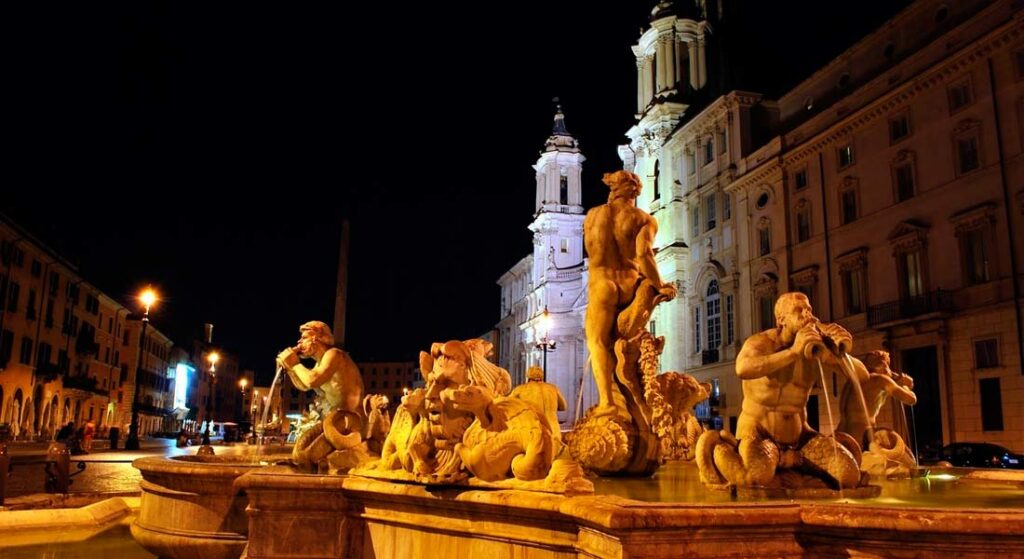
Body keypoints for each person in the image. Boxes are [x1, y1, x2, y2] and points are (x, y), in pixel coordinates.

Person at [721, 292, 869, 487]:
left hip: (801, 439)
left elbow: (862, 376)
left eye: (809, 309)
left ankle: (793, 473)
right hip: (758, 433)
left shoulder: (815, 348)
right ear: (781, 319)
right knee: (757, 478)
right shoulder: (762, 342)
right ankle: (720, 450)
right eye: (799, 310)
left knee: (848, 476)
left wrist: (836, 354)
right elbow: (743, 369)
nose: (807, 314)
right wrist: (793, 352)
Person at [583, 170, 676, 417]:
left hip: (601, 285)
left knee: (598, 342)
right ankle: (632, 401)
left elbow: (593, 253)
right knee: (625, 342)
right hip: (630, 285)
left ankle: (608, 402)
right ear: (634, 191)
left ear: (613, 188)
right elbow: (645, 256)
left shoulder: (592, 216)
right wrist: (661, 284)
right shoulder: (643, 219)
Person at [276, 321, 364, 415]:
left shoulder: (334, 354)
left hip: (351, 416)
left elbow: (312, 380)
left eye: (304, 337)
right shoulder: (319, 364)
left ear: (316, 339)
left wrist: (294, 364)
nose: (299, 341)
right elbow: (304, 386)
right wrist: (290, 368)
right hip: (337, 414)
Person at [837, 350, 917, 450]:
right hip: (861, 434)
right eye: (888, 365)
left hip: (841, 432)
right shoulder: (880, 380)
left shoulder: (854, 380)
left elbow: (878, 394)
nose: (890, 370)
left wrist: (897, 381)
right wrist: (906, 385)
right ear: (883, 365)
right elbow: (910, 399)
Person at [510, 366, 568, 442]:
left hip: (534, 433)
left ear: (528, 377)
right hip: (554, 432)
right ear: (542, 376)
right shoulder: (553, 388)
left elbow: (507, 406)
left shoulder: (520, 390)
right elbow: (564, 406)